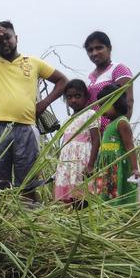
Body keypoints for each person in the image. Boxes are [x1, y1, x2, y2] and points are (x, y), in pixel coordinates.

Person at [0, 21, 67, 201]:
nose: (4, 42)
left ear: (16, 38)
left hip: (26, 129)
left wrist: (44, 104)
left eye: (7, 37)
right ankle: (0, 224)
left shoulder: (33, 63)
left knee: (28, 184)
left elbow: (62, 80)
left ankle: (30, 219)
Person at [53, 79, 100, 208]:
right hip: (68, 163)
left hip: (82, 161)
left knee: (83, 194)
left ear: (86, 96)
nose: (73, 100)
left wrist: (91, 164)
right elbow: (65, 143)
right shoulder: (67, 120)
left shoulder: (90, 114)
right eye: (69, 97)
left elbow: (96, 140)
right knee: (70, 195)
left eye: (77, 96)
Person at [94, 84, 140, 206]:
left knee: (116, 193)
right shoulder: (110, 124)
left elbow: (129, 146)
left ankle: (118, 217)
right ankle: (107, 216)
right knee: (105, 195)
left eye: (105, 105)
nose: (101, 110)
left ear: (117, 102)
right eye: (100, 106)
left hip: (116, 165)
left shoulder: (121, 122)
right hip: (106, 166)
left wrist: (135, 168)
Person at [83, 31, 134, 132]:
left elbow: (128, 101)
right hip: (94, 134)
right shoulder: (89, 77)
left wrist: (118, 130)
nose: (94, 53)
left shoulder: (118, 69)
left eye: (99, 48)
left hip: (112, 131)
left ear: (109, 48)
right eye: (90, 50)